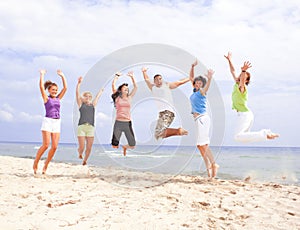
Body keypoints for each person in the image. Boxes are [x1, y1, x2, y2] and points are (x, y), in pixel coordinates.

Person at [224, 52, 279, 142]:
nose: (240, 77)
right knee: (242, 138)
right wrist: (230, 60)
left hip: (244, 115)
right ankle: (266, 134)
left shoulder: (242, 87)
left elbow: (241, 81)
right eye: (240, 75)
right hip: (245, 115)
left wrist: (243, 71)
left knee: (238, 137)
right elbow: (233, 71)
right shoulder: (236, 83)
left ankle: (265, 133)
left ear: (246, 81)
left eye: (243, 77)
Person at [33, 69, 67, 174]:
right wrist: (42, 75)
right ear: (49, 90)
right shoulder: (46, 99)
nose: (55, 91)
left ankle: (46, 164)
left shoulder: (58, 98)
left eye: (56, 90)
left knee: (55, 146)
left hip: (57, 122)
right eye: (53, 90)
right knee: (46, 144)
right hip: (48, 121)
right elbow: (40, 88)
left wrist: (62, 76)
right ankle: (36, 162)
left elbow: (65, 88)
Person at [189, 60, 218, 178]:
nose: (198, 84)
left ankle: (214, 164)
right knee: (199, 145)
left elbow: (206, 88)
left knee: (204, 144)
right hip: (198, 120)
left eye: (201, 83)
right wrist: (192, 66)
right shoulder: (194, 91)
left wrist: (210, 79)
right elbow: (191, 77)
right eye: (197, 82)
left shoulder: (201, 92)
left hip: (202, 119)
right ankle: (208, 169)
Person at [142, 67, 189, 140]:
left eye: (160, 79)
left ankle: (178, 131)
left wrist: (190, 78)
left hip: (168, 112)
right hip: (161, 114)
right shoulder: (153, 88)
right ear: (154, 82)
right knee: (157, 135)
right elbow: (147, 80)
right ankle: (178, 131)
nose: (159, 81)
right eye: (157, 80)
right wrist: (144, 72)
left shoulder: (167, 85)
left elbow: (179, 82)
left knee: (160, 133)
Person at [76, 76, 104, 165]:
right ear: (83, 98)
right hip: (82, 127)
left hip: (91, 128)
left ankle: (85, 160)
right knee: (82, 146)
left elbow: (97, 97)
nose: (88, 97)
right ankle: (80, 153)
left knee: (89, 147)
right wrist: (79, 83)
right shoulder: (81, 105)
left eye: (89, 96)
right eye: (86, 96)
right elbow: (77, 94)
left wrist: (101, 91)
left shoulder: (93, 105)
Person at [111, 71, 137, 156]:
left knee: (132, 145)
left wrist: (132, 77)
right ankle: (117, 145)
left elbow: (136, 87)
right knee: (114, 145)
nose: (127, 89)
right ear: (121, 90)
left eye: (127, 88)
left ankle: (125, 147)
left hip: (127, 123)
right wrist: (117, 76)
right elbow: (113, 85)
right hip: (118, 123)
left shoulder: (129, 97)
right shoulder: (117, 97)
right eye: (124, 88)